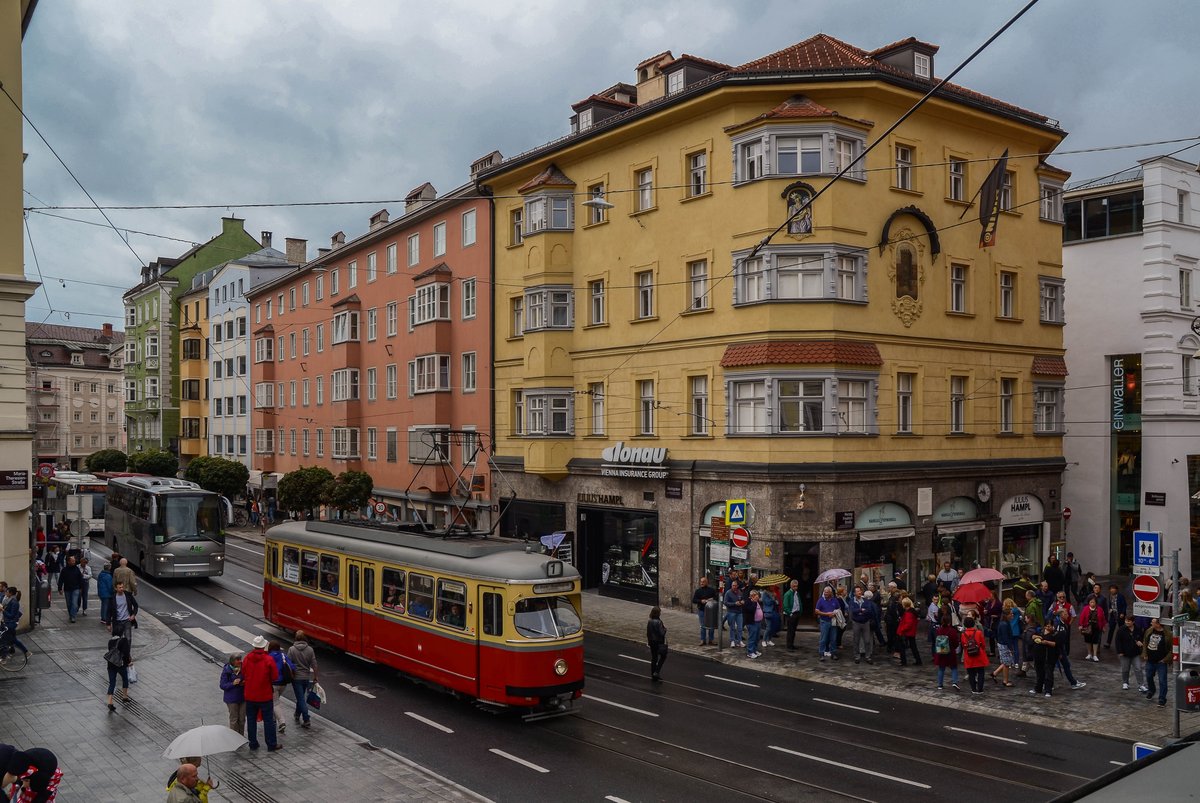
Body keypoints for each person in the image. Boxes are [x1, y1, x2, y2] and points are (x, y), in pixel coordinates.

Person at [242, 636, 281, 751]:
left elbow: (244, 673)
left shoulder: (247, 658)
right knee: (268, 720)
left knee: (251, 720)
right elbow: (274, 676)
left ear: (254, 646)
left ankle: (253, 743)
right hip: (265, 695)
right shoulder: (268, 659)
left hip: (250, 695)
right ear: (264, 646)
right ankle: (271, 744)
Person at [286, 630, 318, 729]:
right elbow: (314, 664)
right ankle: (297, 714)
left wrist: (289, 675)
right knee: (300, 697)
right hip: (306, 677)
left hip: (296, 678)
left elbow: (287, 664)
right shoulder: (310, 649)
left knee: (300, 698)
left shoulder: (291, 649)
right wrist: (316, 676)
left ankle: (306, 719)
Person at [1054, 609, 1086, 690]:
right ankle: (1046, 683)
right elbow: (1057, 640)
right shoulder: (1058, 624)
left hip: (1061, 649)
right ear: (1061, 615)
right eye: (1066, 614)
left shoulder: (1063, 623)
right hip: (1058, 650)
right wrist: (1059, 652)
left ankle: (1073, 682)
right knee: (1051, 667)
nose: (1068, 615)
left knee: (1066, 665)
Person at [1143, 617, 1171, 707]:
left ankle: (1162, 699)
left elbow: (1172, 649)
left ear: (1158, 624)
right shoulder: (1149, 631)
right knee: (1148, 676)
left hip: (1161, 662)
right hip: (1150, 660)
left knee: (1162, 680)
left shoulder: (1167, 634)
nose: (1151, 623)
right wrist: (1145, 654)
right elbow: (1145, 642)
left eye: (1153, 622)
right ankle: (1151, 690)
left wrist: (1165, 659)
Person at [266, 640, 293, 734]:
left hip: (273, 684)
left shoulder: (268, 657)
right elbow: (292, 667)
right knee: (275, 701)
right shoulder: (283, 655)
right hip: (283, 684)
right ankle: (274, 719)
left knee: (275, 703)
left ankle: (281, 722)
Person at [1115, 615, 1146, 692]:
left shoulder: (1138, 629)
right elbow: (1118, 641)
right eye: (1126, 621)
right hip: (1125, 653)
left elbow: (1141, 638)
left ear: (1133, 622)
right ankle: (1125, 682)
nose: (1127, 622)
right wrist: (1120, 651)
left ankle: (1141, 685)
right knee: (1125, 669)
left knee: (1138, 668)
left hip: (1135, 653)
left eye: (1128, 621)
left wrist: (1140, 642)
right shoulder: (1121, 630)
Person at [960, 616, 989, 694]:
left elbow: (963, 645)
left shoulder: (963, 634)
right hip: (979, 654)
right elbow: (983, 644)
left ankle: (973, 689)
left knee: (971, 673)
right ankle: (980, 689)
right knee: (981, 672)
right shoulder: (978, 632)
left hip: (969, 655)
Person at [104, 631, 131, 712]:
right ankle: (125, 696)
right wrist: (128, 662)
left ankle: (110, 702)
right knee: (125, 679)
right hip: (120, 664)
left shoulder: (110, 641)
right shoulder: (124, 640)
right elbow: (126, 654)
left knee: (112, 682)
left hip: (111, 664)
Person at [1031, 620, 1059, 698]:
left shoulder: (1055, 634)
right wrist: (1036, 637)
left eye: (1049, 626)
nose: (1048, 627)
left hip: (1049, 656)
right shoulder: (1040, 632)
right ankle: (1038, 688)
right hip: (1039, 656)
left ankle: (1048, 690)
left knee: (1048, 674)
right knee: (1039, 673)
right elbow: (1032, 636)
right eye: (1046, 626)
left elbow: (1056, 644)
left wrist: (1046, 642)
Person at [847, 585, 874, 665]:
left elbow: (869, 610)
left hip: (865, 622)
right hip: (856, 623)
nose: (859, 592)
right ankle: (857, 656)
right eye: (858, 591)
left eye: (860, 591)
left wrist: (861, 612)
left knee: (867, 640)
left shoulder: (865, 601)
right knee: (856, 640)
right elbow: (853, 611)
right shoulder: (852, 601)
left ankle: (868, 656)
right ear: (854, 593)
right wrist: (860, 610)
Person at [932, 614, 961, 691]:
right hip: (950, 652)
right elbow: (956, 642)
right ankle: (955, 681)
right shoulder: (952, 631)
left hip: (941, 651)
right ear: (949, 622)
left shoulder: (938, 630)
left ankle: (940, 684)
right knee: (954, 667)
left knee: (941, 668)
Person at [219, 653, 245, 735]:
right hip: (232, 699)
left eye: (240, 659)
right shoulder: (227, 671)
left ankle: (241, 736)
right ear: (232, 661)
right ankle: (234, 737)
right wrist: (232, 684)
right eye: (238, 660)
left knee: (242, 719)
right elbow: (222, 685)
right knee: (234, 719)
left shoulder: (243, 669)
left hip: (243, 697)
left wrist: (244, 682)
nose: (240, 661)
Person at [0, 588, 29, 661]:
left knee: (4, 640)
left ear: (10, 593)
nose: (5, 593)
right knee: (13, 640)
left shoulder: (14, 602)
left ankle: (4, 657)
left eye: (7, 592)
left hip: (10, 624)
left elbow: (11, 615)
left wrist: (3, 610)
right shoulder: (10, 600)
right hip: (8, 623)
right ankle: (27, 652)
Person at [991, 607, 1016, 686]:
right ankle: (1005, 681)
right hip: (1004, 645)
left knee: (1006, 661)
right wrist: (1010, 648)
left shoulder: (1004, 623)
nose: (1012, 615)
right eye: (1011, 614)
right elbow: (1006, 638)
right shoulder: (1004, 624)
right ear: (1007, 615)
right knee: (1006, 663)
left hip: (1002, 644)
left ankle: (995, 673)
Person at [815, 586, 840, 661]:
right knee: (823, 639)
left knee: (833, 638)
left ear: (830, 593)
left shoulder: (835, 600)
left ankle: (833, 653)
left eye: (827, 592)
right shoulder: (820, 600)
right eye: (824, 592)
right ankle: (821, 654)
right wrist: (826, 614)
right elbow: (816, 611)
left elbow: (838, 609)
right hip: (824, 621)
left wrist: (835, 613)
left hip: (833, 622)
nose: (825, 593)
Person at [56, 555, 84, 624]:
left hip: (75, 588)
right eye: (72, 561)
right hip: (67, 589)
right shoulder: (64, 570)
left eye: (74, 561)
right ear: (68, 562)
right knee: (69, 603)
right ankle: (71, 614)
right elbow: (61, 579)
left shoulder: (77, 569)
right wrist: (60, 588)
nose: (73, 562)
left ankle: (73, 616)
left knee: (74, 603)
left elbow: (80, 578)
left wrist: (81, 587)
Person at [1079, 595, 1107, 662]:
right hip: (1087, 627)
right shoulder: (1085, 608)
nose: (1092, 603)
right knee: (1088, 640)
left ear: (1096, 603)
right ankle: (1089, 654)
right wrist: (1080, 625)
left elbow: (1103, 618)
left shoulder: (1100, 609)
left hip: (1096, 627)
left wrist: (1103, 626)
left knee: (1095, 641)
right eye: (1091, 602)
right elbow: (1082, 617)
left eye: (1093, 602)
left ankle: (1095, 655)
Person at [691, 577, 717, 646]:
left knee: (711, 626)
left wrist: (712, 598)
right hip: (702, 610)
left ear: (707, 582)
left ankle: (711, 640)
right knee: (703, 626)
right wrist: (700, 601)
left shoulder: (711, 590)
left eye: (703, 582)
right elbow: (694, 600)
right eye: (701, 582)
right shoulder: (698, 591)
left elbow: (716, 597)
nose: (702, 583)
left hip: (711, 611)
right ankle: (703, 640)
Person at [896, 597, 921, 666]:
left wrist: (901, 630)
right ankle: (918, 660)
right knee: (913, 646)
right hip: (911, 632)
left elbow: (908, 624)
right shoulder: (912, 611)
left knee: (902, 648)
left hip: (906, 632)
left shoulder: (908, 613)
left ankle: (904, 662)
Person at [646, 606, 667, 681]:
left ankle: (653, 674)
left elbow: (648, 633)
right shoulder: (659, 622)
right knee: (663, 656)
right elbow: (662, 633)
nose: (660, 613)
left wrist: (649, 642)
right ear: (658, 613)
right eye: (660, 612)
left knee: (654, 658)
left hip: (652, 642)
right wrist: (665, 629)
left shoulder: (650, 621)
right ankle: (657, 672)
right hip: (658, 643)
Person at [723, 579, 744, 648]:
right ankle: (732, 641)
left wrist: (742, 602)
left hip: (739, 612)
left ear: (737, 586)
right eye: (733, 585)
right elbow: (725, 602)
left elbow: (742, 599)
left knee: (740, 627)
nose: (734, 587)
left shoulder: (740, 592)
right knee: (732, 627)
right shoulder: (728, 593)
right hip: (731, 612)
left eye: (735, 585)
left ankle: (739, 641)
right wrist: (734, 603)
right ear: (731, 586)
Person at [783, 579, 803, 651]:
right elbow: (785, 606)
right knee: (790, 631)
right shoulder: (787, 594)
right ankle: (789, 646)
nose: (795, 588)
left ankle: (792, 644)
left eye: (796, 586)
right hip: (791, 614)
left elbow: (799, 602)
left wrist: (800, 611)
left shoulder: (796, 593)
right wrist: (790, 613)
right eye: (794, 586)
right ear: (791, 586)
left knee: (793, 630)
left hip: (796, 613)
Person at [96, 562, 115, 627]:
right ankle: (104, 618)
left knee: (103, 605)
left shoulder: (101, 574)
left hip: (101, 593)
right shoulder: (108, 576)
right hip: (107, 593)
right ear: (109, 568)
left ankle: (103, 617)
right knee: (105, 606)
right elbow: (110, 586)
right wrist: (113, 592)